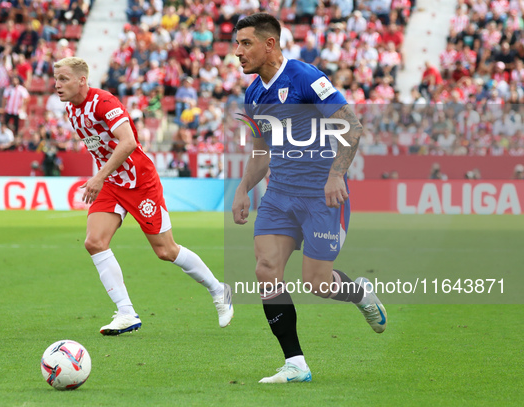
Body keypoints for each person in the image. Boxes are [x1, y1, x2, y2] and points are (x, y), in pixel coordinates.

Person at [231, 13, 387, 384]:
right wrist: (242, 189)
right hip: (279, 195)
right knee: (265, 271)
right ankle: (295, 363)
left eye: (245, 43)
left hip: (321, 197)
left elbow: (351, 124)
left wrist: (336, 175)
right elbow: (260, 149)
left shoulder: (305, 77)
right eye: (236, 44)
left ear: (270, 44)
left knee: (317, 283)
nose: (238, 52)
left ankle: (360, 294)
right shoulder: (253, 93)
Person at [53, 57, 233, 335]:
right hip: (112, 183)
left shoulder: (103, 103)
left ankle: (219, 290)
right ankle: (126, 312)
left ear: (81, 80)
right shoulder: (72, 111)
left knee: (165, 250)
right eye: (56, 79)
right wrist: (104, 177)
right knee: (94, 242)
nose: (57, 85)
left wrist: (98, 177)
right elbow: (101, 146)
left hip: (140, 182)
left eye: (63, 79)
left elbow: (128, 142)